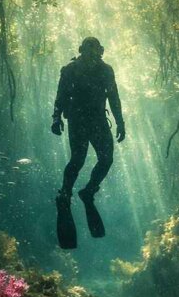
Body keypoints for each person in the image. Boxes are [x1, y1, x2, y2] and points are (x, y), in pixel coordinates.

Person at [52, 37, 125, 210]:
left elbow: (114, 97)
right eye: (88, 48)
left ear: (100, 51)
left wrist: (120, 122)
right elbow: (61, 96)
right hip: (78, 121)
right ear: (81, 50)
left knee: (106, 159)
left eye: (95, 49)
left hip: (98, 120)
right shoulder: (70, 70)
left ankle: (89, 190)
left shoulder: (106, 70)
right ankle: (66, 192)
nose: (92, 52)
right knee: (78, 159)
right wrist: (56, 118)